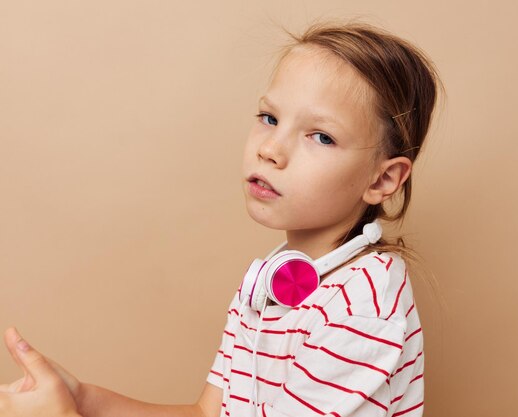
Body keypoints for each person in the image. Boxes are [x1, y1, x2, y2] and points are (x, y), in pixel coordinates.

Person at [0, 21, 439, 417]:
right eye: (270, 118)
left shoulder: (363, 303)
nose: (271, 149)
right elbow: (208, 414)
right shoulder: (272, 281)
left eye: (321, 136)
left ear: (383, 180)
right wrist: (82, 399)